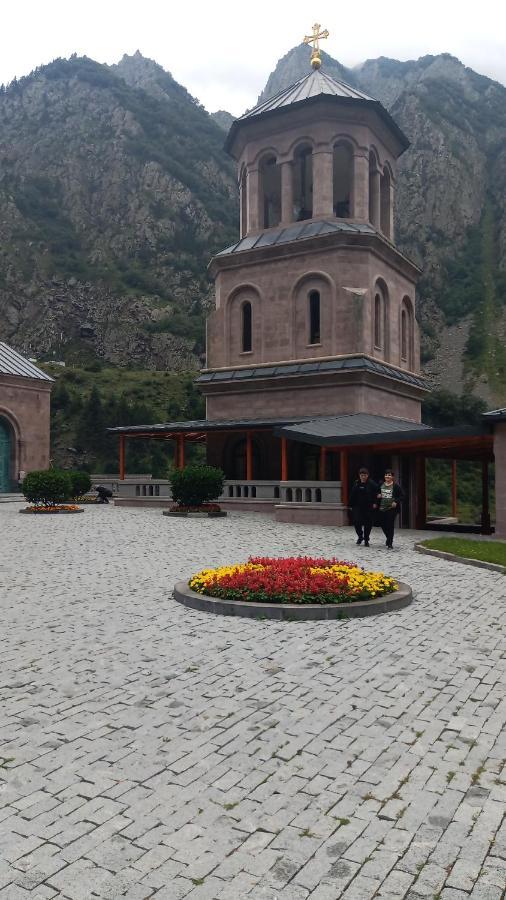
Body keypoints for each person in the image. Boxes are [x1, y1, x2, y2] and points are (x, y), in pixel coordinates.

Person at [349, 467, 378, 547]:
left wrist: (375, 502)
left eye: (365, 475)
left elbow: (378, 492)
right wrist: (350, 505)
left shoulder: (372, 483)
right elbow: (352, 494)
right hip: (357, 506)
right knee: (356, 521)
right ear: (359, 475)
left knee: (368, 523)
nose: (363, 477)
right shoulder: (356, 483)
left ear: (367, 475)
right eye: (362, 475)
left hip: (368, 506)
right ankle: (360, 536)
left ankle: (366, 539)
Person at [376, 470, 405, 549]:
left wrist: (396, 501)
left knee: (390, 525)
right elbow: (376, 492)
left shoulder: (396, 486)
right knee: (382, 524)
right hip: (382, 508)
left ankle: (390, 543)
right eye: (386, 475)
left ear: (392, 477)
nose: (387, 476)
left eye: (389, 475)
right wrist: (377, 495)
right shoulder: (380, 484)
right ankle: (388, 537)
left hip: (391, 509)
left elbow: (402, 496)